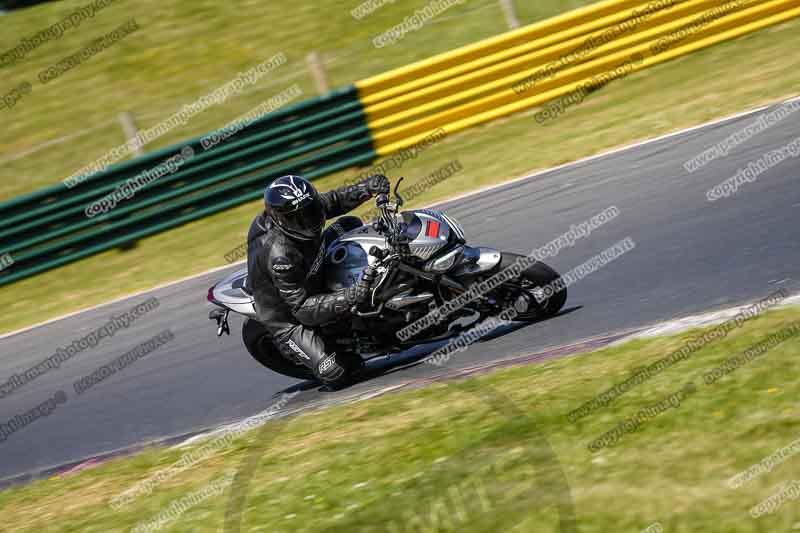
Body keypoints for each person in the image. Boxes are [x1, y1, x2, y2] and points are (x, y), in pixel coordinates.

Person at [246, 174, 390, 385]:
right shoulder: (280, 255)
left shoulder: (300, 207)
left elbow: (334, 200)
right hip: (290, 317)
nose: (309, 222)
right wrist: (350, 296)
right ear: (279, 220)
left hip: (311, 265)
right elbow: (302, 309)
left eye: (310, 212)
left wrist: (368, 187)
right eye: (300, 219)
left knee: (350, 223)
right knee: (338, 371)